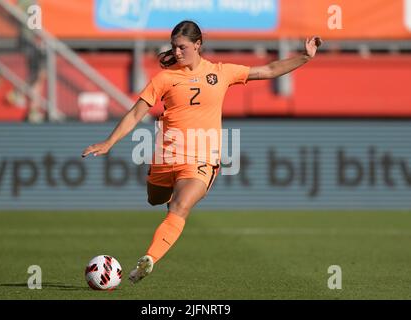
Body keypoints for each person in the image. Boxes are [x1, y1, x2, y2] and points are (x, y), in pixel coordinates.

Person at [82, 20, 322, 284]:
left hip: (201, 158)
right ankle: (158, 228)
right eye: (173, 47)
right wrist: (109, 142)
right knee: (154, 199)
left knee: (179, 206)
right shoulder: (165, 78)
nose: (177, 52)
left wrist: (304, 57)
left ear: (198, 45)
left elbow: (269, 69)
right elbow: (136, 112)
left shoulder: (221, 72)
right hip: (166, 157)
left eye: (182, 47)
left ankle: (149, 259)